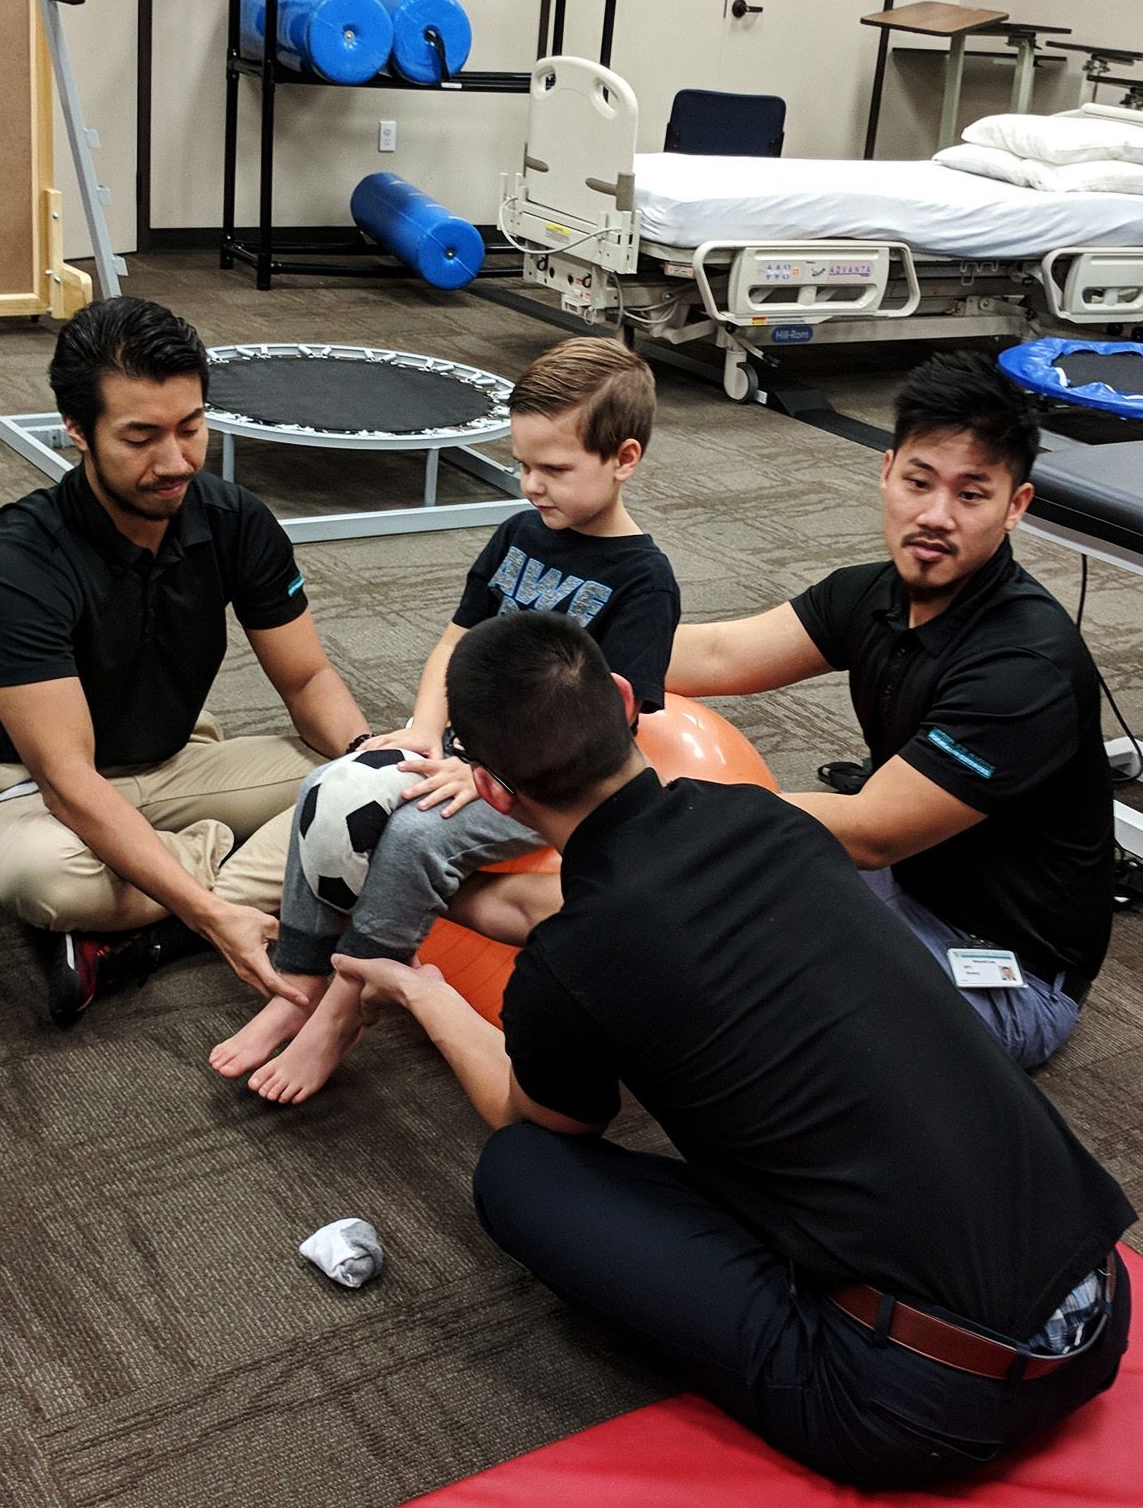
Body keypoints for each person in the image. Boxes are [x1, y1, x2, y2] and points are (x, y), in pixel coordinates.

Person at [333, 611, 1133, 1491]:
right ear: (626, 700)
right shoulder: (767, 817)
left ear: (490, 790)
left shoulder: (579, 958)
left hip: (923, 1404)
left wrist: (422, 989)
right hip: (1100, 1313)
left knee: (521, 1171)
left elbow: (534, 1115)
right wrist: (447, 900)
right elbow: (605, 898)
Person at [209, 336, 680, 1101]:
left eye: (554, 470)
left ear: (624, 458)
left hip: (552, 791)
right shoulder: (520, 535)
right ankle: (297, 982)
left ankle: (342, 1010)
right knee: (326, 785)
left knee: (414, 837)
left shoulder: (644, 581)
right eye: (523, 464)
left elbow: (608, 728)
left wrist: (494, 774)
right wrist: (427, 729)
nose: (531, 485)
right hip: (465, 754)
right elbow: (458, 641)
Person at [668, 350, 1114, 1069]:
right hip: (897, 886)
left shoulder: (1023, 665)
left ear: (1015, 507)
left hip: (1006, 971)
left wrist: (672, 808)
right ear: (886, 472)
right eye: (918, 482)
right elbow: (720, 655)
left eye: (972, 494)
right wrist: (560, 654)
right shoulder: (871, 593)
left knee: (740, 1002)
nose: (935, 516)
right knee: (692, 923)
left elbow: (872, 831)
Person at [0, 297, 371, 1023]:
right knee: (46, 881)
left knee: (367, 794)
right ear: (75, 430)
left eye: (191, 428)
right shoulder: (19, 560)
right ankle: (213, 888)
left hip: (182, 761)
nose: (176, 460)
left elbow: (309, 679)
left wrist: (370, 757)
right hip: (43, 792)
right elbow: (66, 781)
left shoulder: (234, 519)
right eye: (141, 437)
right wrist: (216, 917)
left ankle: (139, 932)